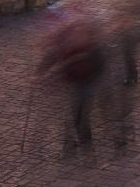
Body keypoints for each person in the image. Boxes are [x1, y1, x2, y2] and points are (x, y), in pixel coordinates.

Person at [38, 13, 106, 149]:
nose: (78, 36)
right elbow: (53, 55)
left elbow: (100, 65)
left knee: (80, 111)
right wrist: (40, 73)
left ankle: (82, 140)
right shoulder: (68, 44)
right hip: (73, 80)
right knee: (75, 111)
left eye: (81, 32)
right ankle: (77, 140)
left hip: (87, 81)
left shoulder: (94, 47)